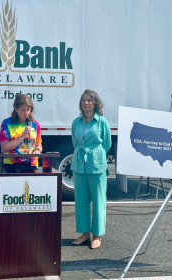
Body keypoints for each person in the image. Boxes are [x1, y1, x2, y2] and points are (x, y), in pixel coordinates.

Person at [71, 89, 111, 249]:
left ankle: (97, 235)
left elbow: (106, 144)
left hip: (97, 165)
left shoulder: (102, 122)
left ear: (95, 103)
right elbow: (75, 142)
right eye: (83, 100)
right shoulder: (76, 122)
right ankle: (84, 233)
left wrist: (96, 155)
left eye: (89, 100)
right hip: (79, 165)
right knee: (81, 201)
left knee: (98, 201)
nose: (85, 103)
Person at [0, 94, 42, 173]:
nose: (26, 113)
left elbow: (38, 144)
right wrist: (22, 137)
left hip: (32, 166)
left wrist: (37, 150)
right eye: (22, 110)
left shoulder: (35, 124)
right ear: (15, 109)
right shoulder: (7, 123)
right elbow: (4, 148)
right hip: (12, 167)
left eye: (28, 109)